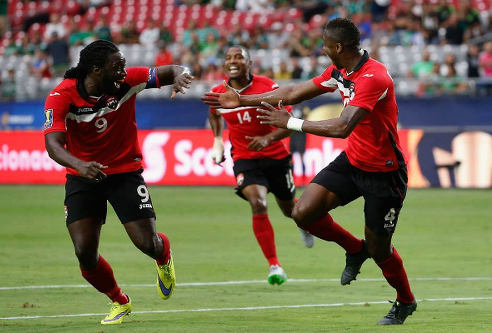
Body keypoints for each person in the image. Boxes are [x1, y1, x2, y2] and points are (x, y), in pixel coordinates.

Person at [202, 18, 416, 325]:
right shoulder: (339, 71)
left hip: (384, 172)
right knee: (302, 213)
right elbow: (292, 93)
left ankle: (405, 301)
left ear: (338, 47)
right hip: (353, 161)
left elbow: (342, 126)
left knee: (381, 249)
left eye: (326, 44)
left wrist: (290, 123)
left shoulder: (373, 77)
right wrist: (242, 100)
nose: (322, 48)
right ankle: (355, 250)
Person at [43, 40, 194, 325]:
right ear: (96, 70)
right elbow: (53, 144)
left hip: (125, 171)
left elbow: (172, 70)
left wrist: (180, 75)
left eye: (124, 65)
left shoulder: (129, 80)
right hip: (83, 176)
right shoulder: (61, 96)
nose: (124, 72)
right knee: (84, 252)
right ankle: (119, 300)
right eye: (118, 67)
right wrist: (80, 165)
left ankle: (163, 255)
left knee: (147, 244)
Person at [207, 46, 314, 285]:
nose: (232, 61)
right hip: (245, 159)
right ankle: (275, 266)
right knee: (258, 202)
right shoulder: (218, 93)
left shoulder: (269, 87)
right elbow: (214, 113)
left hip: (276, 157)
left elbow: (289, 123)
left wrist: (267, 139)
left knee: (291, 211)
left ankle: (303, 224)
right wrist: (217, 141)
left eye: (238, 57)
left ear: (250, 63)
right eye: (228, 58)